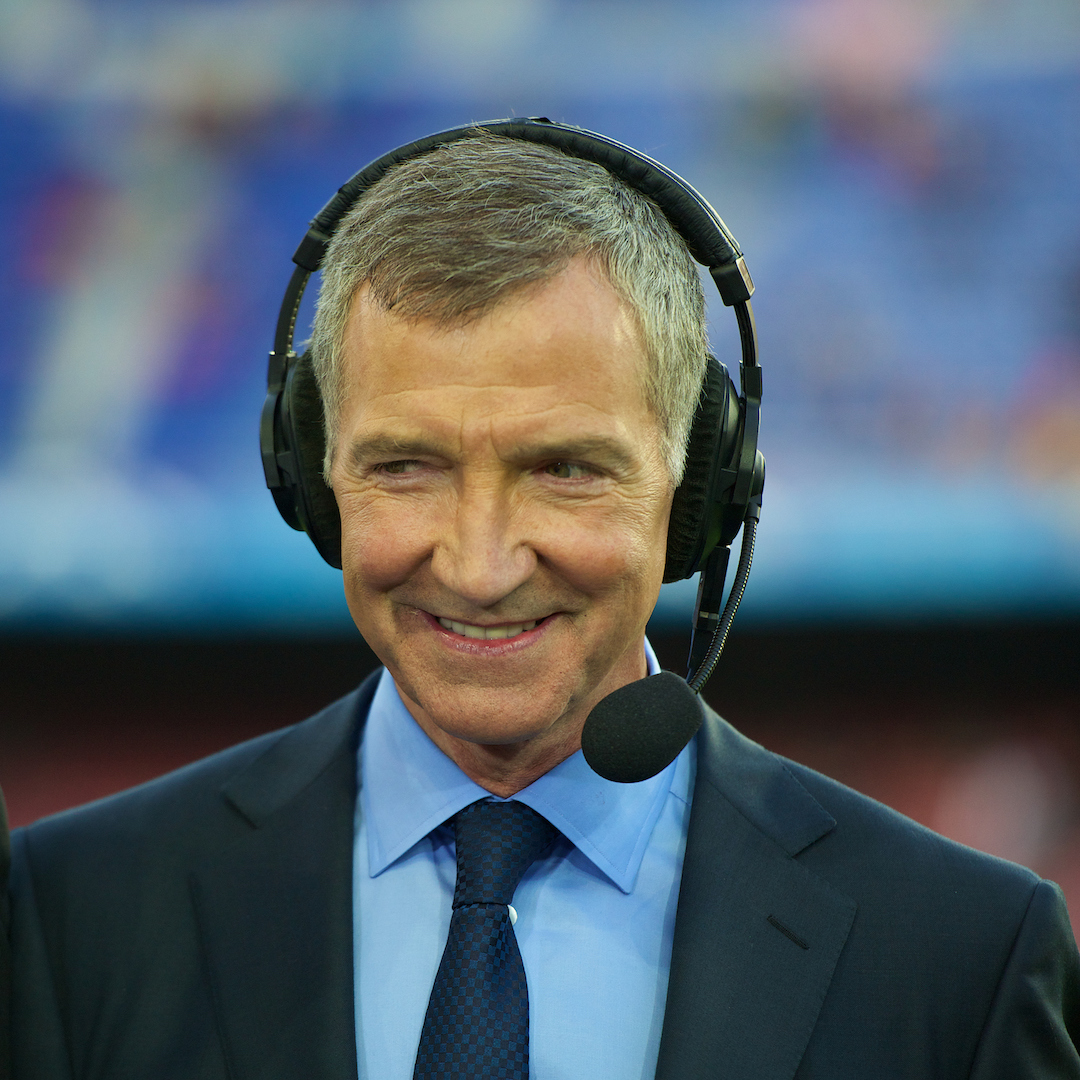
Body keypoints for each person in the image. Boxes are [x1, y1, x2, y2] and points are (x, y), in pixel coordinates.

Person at [8, 126, 1080, 1080]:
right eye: (406, 466)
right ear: (309, 473)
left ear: (701, 488)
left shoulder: (964, 957)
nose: (479, 566)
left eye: (566, 468)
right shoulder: (69, 915)